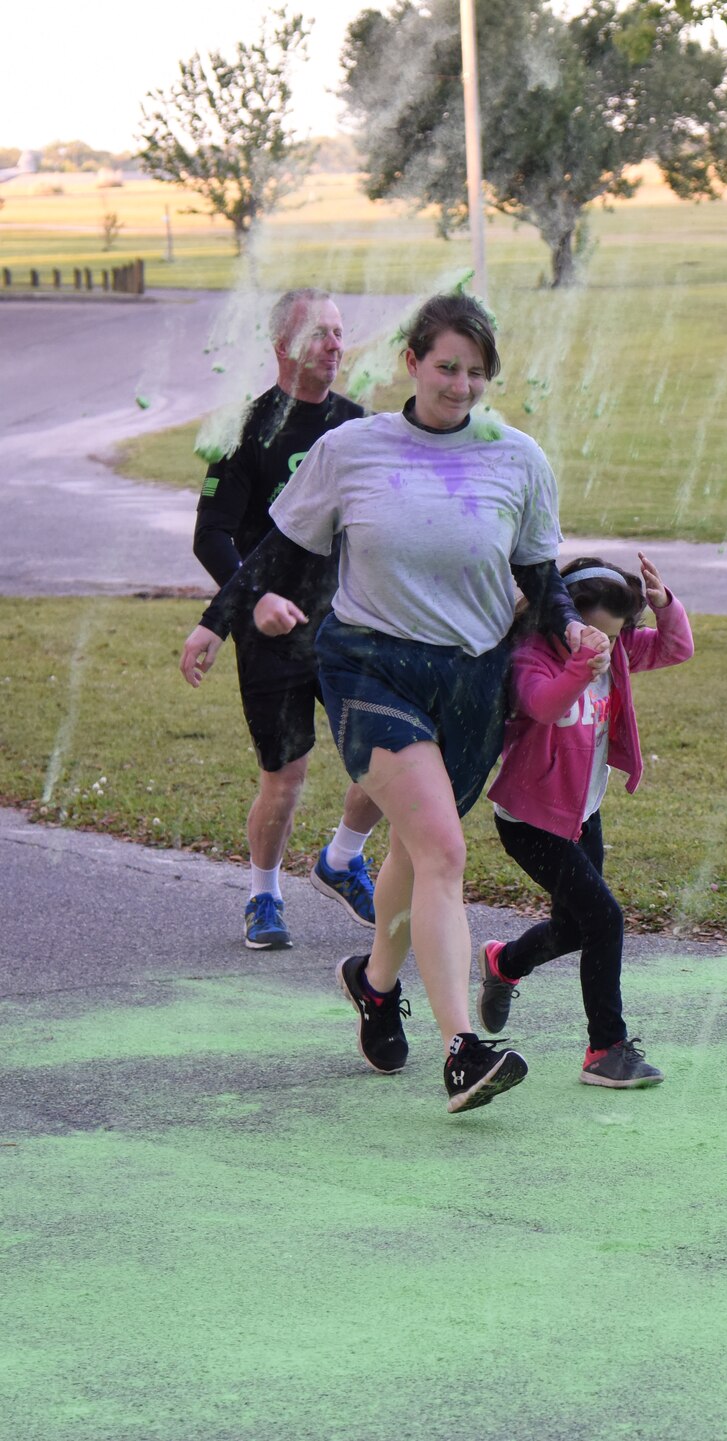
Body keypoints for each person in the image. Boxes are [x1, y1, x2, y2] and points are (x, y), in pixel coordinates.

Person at [187, 292, 595, 1114]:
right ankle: (462, 1049)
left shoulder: (518, 459)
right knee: (443, 848)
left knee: (416, 854)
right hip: (371, 669)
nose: (461, 384)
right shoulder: (354, 449)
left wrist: (573, 627)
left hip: (472, 681)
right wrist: (215, 623)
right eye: (447, 367)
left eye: (477, 372)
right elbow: (273, 547)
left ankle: (374, 986)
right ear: (412, 363)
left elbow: (540, 578)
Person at [179, 288, 383, 950]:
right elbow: (212, 536)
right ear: (282, 348)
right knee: (285, 778)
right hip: (270, 634)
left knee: (391, 757)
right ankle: (263, 893)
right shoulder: (247, 429)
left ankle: (344, 856)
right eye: (319, 333)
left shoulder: (359, 428)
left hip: (348, 627)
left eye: (338, 331)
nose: (333, 345)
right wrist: (252, 601)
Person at [479, 552, 695, 1088]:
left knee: (577, 927)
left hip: (583, 812)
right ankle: (606, 1049)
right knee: (604, 919)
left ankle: (505, 962)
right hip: (530, 821)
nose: (606, 646)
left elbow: (676, 648)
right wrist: (581, 665)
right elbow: (543, 705)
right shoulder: (532, 653)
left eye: (614, 637)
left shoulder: (615, 648)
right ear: (564, 617)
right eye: (594, 634)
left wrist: (663, 603)